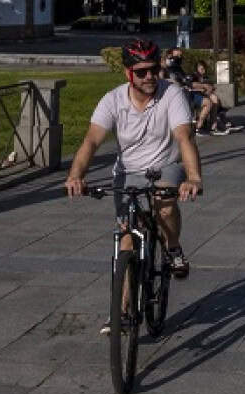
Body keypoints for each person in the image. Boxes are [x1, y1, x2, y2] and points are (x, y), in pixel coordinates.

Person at [65, 39, 203, 332]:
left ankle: (173, 248)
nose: (149, 76)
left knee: (165, 206)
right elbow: (91, 141)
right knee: (126, 239)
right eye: (141, 72)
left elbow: (184, 137)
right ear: (129, 73)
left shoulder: (172, 94)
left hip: (166, 166)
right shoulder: (113, 100)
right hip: (128, 173)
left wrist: (193, 178)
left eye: (153, 69)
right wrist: (76, 175)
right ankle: (122, 312)